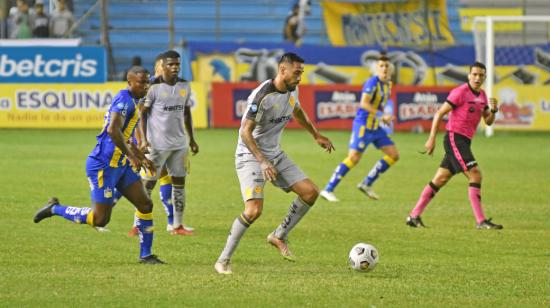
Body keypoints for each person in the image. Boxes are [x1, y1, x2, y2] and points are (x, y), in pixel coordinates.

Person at [214, 52, 335, 274]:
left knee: (310, 192)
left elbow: (297, 111)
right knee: (253, 211)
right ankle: (223, 260)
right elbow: (245, 132)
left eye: (302, 73)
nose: (300, 78)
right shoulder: (262, 96)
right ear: (282, 70)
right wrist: (262, 161)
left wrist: (316, 135)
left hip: (275, 154)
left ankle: (279, 235)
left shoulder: (292, 90)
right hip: (251, 155)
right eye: (297, 73)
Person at [33, 66, 166, 264]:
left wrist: (140, 156)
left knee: (145, 204)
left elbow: (125, 135)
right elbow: (113, 130)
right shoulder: (124, 101)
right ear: (129, 82)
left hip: (120, 166)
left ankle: (146, 255)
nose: (146, 86)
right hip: (103, 166)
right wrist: (132, 156)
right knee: (100, 219)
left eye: (147, 82)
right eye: (141, 82)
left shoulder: (134, 100)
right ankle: (55, 209)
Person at [406, 61, 503, 230]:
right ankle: (481, 221)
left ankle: (413, 216)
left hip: (464, 142)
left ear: (485, 77)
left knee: (440, 179)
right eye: (474, 74)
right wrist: (431, 138)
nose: (477, 78)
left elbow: (487, 122)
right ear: (469, 76)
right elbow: (439, 113)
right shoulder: (460, 92)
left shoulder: (483, 95)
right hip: (454, 139)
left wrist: (493, 112)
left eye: (481, 75)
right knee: (475, 175)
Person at [320, 56, 398, 202]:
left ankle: (367, 183)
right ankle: (328, 189)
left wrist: (383, 119)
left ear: (391, 68)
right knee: (353, 158)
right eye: (381, 66)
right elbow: (364, 104)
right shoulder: (372, 82)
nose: (384, 68)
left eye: (387, 65)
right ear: (376, 68)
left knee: (393, 155)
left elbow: (378, 105)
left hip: (376, 127)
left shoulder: (388, 84)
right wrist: (382, 115)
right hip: (363, 126)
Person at [139, 50, 199, 236]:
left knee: (179, 184)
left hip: (179, 145)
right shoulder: (153, 87)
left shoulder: (184, 85)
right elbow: (142, 114)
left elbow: (186, 113)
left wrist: (192, 139)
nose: (175, 67)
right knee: (147, 185)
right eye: (171, 64)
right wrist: (143, 139)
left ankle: (177, 225)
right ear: (163, 66)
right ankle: (140, 222)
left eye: (177, 64)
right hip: (156, 146)